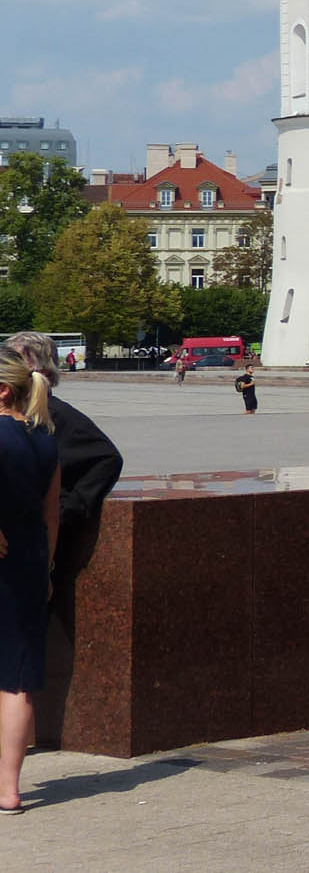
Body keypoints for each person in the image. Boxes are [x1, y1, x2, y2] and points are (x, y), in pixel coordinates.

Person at [2, 332, 123, 660]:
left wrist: (71, 505)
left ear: (29, 364)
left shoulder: (56, 415)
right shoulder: (21, 416)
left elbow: (106, 459)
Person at [0, 346, 59, 814]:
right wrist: (48, 568)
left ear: (3, 390)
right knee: (18, 681)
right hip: (31, 563)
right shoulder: (45, 437)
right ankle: (9, 791)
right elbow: (50, 514)